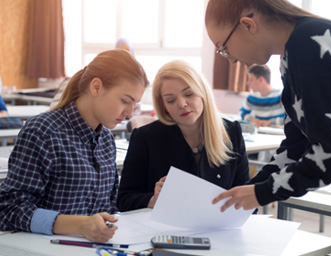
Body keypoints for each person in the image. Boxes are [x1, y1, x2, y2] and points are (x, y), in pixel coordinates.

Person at [205, 0, 331, 255]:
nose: (230, 60)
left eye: (223, 48)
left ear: (248, 25)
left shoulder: (308, 47)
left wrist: (262, 192)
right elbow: (296, 144)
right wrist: (248, 192)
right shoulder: (295, 51)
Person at [0, 49, 149, 242]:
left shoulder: (106, 140)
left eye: (134, 104)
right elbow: (8, 209)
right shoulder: (43, 132)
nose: (129, 113)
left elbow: (110, 209)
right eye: (124, 101)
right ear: (96, 87)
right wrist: (80, 225)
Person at [117, 60, 250, 211]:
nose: (181, 104)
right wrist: (154, 199)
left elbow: (247, 199)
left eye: (189, 94)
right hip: (162, 231)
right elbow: (124, 200)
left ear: (203, 93)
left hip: (220, 229)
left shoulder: (231, 132)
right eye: (171, 100)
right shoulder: (145, 137)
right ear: (163, 106)